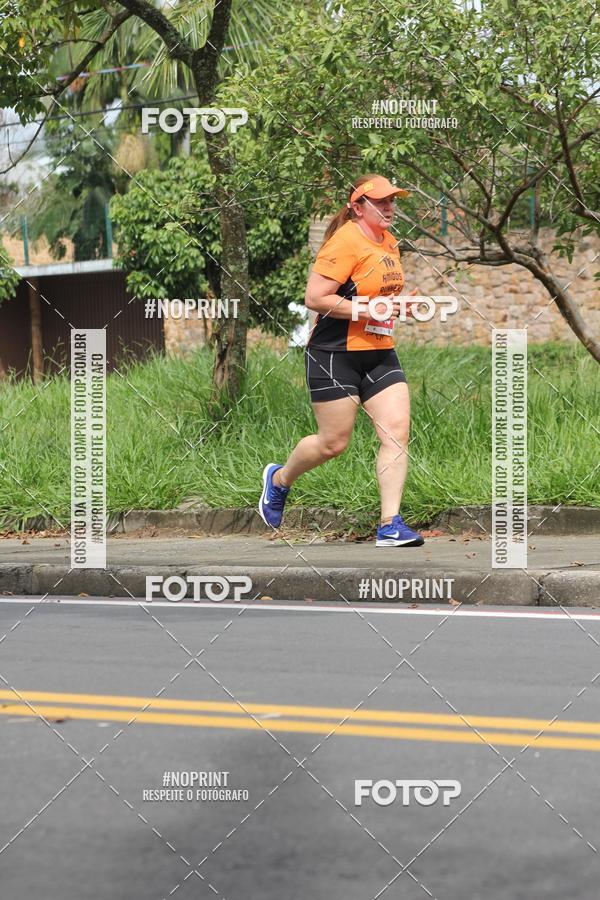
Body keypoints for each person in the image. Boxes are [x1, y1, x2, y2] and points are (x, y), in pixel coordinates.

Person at [258, 174, 424, 547]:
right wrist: (369, 310)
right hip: (333, 354)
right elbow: (316, 297)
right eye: (380, 202)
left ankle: (390, 524)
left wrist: (401, 306)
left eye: (392, 201)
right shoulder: (344, 242)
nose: (389, 208)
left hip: (379, 351)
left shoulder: (389, 242)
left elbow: (379, 297)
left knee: (396, 432)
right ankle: (280, 479)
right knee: (333, 443)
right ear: (357, 206)